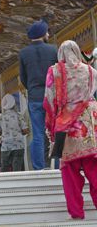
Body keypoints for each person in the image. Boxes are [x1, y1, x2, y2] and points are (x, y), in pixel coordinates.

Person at [44, 40, 97, 220]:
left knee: (70, 172)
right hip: (89, 124)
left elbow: (49, 101)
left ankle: (76, 212)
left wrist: (51, 126)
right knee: (94, 168)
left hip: (67, 125)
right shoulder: (91, 71)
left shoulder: (55, 71)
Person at [19, 20, 57, 170]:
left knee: (38, 133)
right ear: (42, 34)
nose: (48, 34)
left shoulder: (23, 53)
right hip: (52, 96)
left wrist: (32, 87)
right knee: (56, 131)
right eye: (47, 31)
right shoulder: (53, 50)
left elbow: (23, 77)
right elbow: (58, 73)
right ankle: (59, 164)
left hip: (34, 97)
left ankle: (39, 167)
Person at [0, 94, 29, 172]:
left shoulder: (1, 117)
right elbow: (25, 130)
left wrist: (5, 132)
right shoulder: (19, 116)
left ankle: (5, 183)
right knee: (17, 167)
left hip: (6, 145)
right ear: (13, 103)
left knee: (4, 167)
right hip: (18, 144)